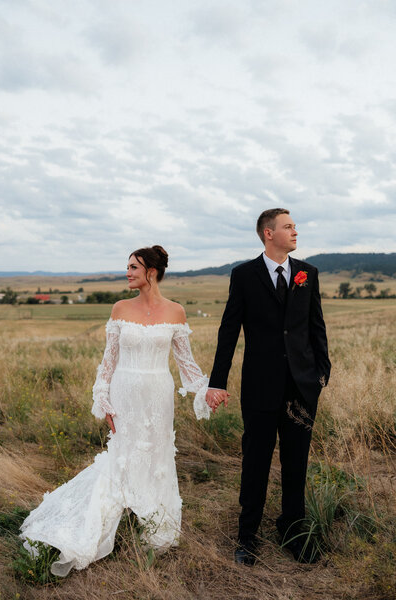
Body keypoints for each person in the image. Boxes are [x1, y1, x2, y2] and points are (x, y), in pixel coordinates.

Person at [20, 245, 222, 577]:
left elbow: (188, 368)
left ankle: (153, 523)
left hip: (158, 396)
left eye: (133, 267)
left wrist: (207, 390)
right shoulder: (119, 308)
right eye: (127, 267)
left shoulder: (176, 312)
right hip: (124, 393)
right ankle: (105, 519)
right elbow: (107, 363)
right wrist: (104, 400)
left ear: (151, 272)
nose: (127, 272)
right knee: (123, 457)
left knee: (157, 459)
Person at [206, 209, 331, 565]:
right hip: (260, 386)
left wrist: (322, 372)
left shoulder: (308, 273)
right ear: (268, 233)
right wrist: (217, 381)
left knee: (297, 463)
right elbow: (229, 330)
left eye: (294, 226)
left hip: (303, 388)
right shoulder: (244, 275)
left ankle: (293, 531)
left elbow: (315, 325)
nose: (295, 231)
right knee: (256, 461)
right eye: (288, 226)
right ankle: (247, 537)